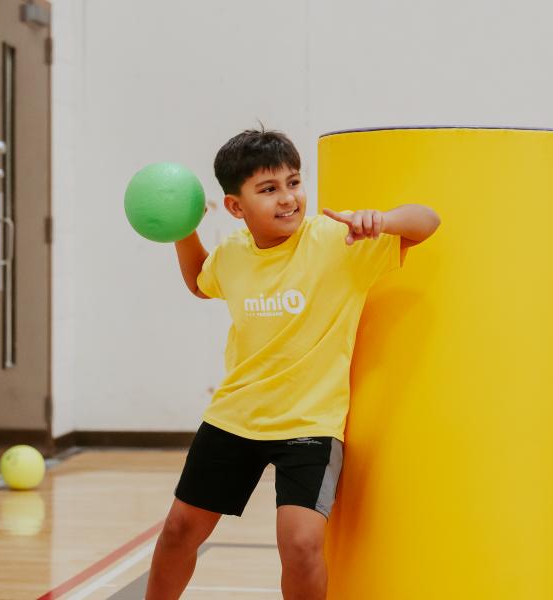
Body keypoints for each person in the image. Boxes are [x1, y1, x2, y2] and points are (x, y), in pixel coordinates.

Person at [145, 128, 440, 600]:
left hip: (309, 424)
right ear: (236, 207)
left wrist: (383, 220)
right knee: (180, 531)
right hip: (235, 417)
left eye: (294, 182)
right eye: (268, 189)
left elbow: (427, 222)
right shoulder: (233, 256)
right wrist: (183, 229)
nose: (288, 198)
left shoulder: (337, 243)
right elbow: (201, 282)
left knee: (301, 545)